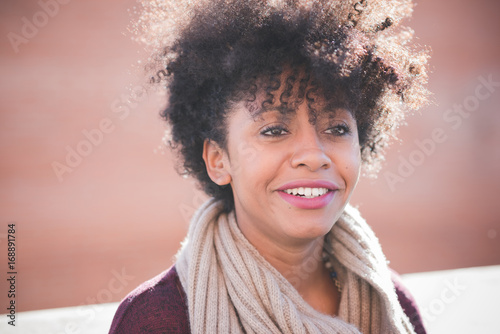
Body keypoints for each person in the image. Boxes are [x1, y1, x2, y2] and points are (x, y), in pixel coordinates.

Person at [109, 0, 429, 333]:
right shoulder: (160, 319)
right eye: (274, 130)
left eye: (337, 128)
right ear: (218, 160)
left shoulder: (390, 303)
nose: (314, 155)